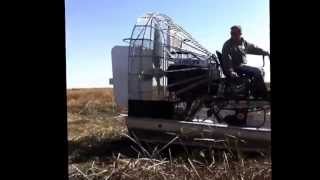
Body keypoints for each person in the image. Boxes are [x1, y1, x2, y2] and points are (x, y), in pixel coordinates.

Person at [221, 25, 270, 99]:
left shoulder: (244, 43)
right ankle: (261, 95)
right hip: (235, 67)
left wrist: (265, 52)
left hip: (242, 66)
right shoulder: (227, 45)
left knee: (261, 70)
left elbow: (254, 48)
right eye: (231, 33)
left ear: (240, 33)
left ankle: (254, 91)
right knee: (257, 71)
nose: (233, 35)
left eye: (235, 33)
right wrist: (231, 71)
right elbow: (227, 59)